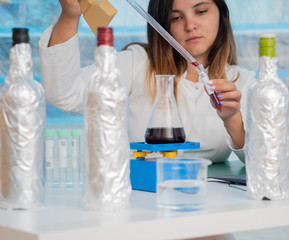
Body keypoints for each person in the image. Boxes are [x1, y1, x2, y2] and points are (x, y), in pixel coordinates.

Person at [39, 0, 255, 163]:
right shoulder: (136, 63)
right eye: (175, 17)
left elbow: (259, 161)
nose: (190, 25)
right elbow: (64, 93)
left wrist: (232, 119)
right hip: (141, 200)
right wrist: (70, 14)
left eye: (201, 11)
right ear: (161, 26)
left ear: (221, 15)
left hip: (212, 201)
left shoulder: (241, 81)